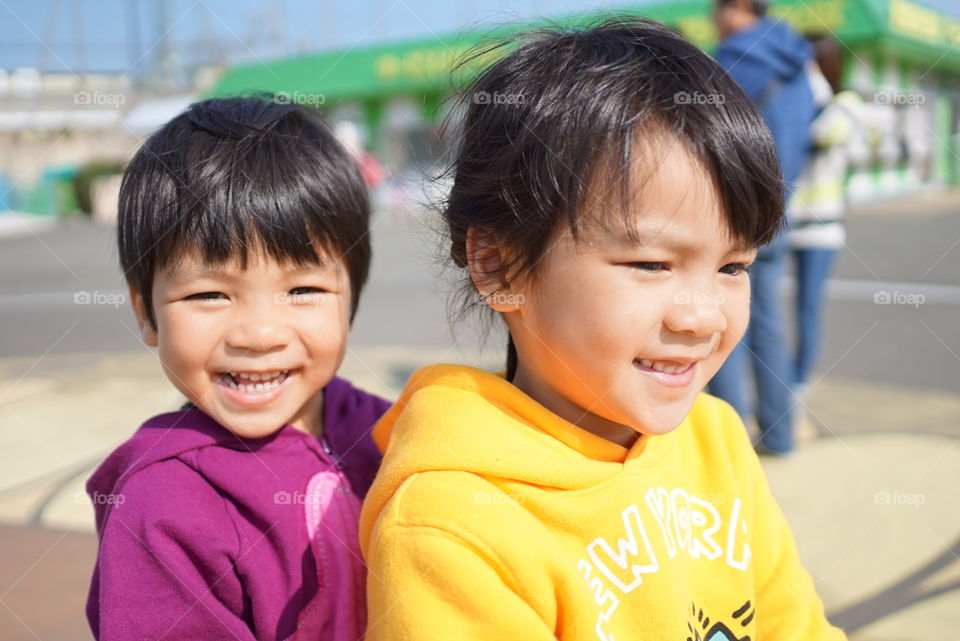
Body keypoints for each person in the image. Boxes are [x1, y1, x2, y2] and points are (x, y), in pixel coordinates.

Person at [358, 18, 846, 641]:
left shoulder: (714, 437)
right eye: (650, 264)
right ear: (498, 264)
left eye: (733, 266)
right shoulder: (448, 528)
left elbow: (795, 626)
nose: (701, 316)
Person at [85, 96, 390, 641]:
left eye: (303, 289)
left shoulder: (393, 434)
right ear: (146, 314)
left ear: (351, 300)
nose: (258, 335)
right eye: (209, 294)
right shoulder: (161, 512)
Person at [710, 0, 816, 455]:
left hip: (731, 210)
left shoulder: (733, 57)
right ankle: (780, 434)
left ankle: (732, 444)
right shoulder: (799, 60)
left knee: (718, 323)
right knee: (767, 322)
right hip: (779, 206)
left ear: (736, 7)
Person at [789, 35, 864, 406]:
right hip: (786, 222)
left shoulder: (843, 103)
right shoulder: (801, 100)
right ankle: (777, 377)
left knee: (807, 307)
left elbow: (823, 135)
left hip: (822, 226)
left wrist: (811, 88)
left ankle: (798, 382)